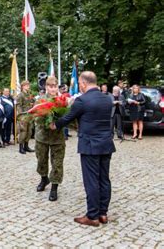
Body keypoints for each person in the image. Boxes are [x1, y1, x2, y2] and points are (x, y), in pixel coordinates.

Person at [51, 71, 116, 227]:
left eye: (79, 83)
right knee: (104, 179)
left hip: (90, 145)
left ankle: (92, 216)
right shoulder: (108, 99)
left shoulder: (82, 100)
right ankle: (103, 213)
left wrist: (55, 125)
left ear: (84, 83)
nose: (79, 86)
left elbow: (68, 118)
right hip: (106, 144)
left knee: (92, 180)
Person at [35, 76, 66, 201]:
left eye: (55, 86)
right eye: (50, 86)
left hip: (57, 138)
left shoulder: (62, 101)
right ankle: (44, 179)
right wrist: (45, 120)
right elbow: (35, 118)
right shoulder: (40, 100)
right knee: (41, 160)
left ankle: (54, 187)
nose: (53, 89)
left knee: (57, 163)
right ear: (46, 87)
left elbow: (68, 117)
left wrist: (58, 121)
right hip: (42, 136)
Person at [17, 80, 35, 154]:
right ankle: (21, 148)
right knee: (23, 132)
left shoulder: (29, 94)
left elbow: (33, 101)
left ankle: (26, 146)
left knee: (29, 131)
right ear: (23, 86)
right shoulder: (20, 95)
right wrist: (22, 115)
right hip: (24, 116)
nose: (28, 86)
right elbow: (18, 105)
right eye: (27, 85)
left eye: (28, 85)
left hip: (30, 115)